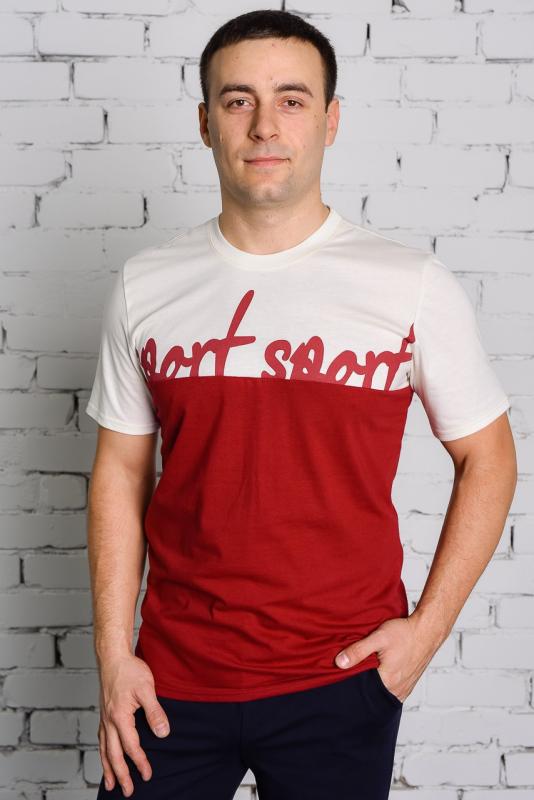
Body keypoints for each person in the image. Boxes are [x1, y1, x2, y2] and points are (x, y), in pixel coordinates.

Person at [86, 9, 517, 800]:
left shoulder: (409, 285)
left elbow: (487, 457)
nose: (264, 125)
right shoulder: (146, 285)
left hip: (341, 681)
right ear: (206, 123)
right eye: (238, 100)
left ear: (331, 119)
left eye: (291, 99)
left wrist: (425, 636)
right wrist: (115, 657)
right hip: (171, 681)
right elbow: (119, 471)